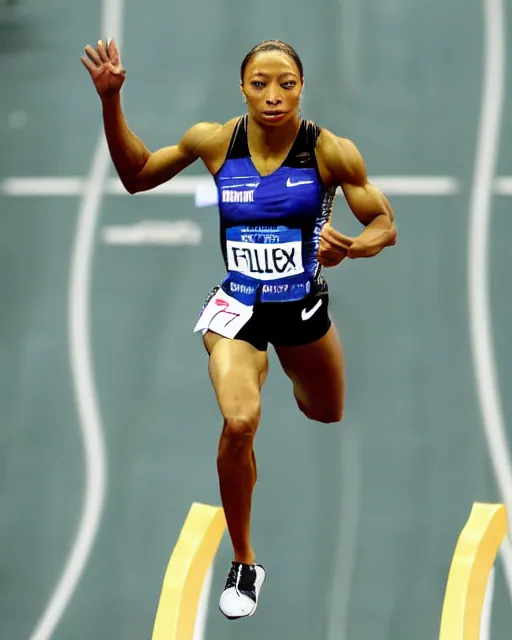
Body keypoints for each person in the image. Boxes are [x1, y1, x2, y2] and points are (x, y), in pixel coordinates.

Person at [81, 37, 397, 621]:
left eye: (286, 84)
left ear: (302, 87)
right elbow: (136, 176)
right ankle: (245, 559)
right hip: (239, 307)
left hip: (302, 310)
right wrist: (111, 102)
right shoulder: (214, 141)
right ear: (243, 87)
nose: (273, 96)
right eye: (260, 83)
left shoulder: (330, 152)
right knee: (240, 421)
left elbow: (384, 222)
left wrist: (352, 248)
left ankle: (287, 374)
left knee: (325, 411)